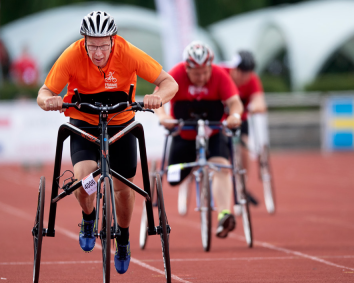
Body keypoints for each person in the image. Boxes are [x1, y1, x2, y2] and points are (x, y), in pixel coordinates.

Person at [36, 11, 178, 274]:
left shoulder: (129, 53)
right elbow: (43, 93)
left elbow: (169, 83)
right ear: (84, 41)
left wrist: (157, 98)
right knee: (85, 179)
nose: (98, 51)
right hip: (84, 124)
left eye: (103, 44)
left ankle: (122, 239)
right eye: (92, 45)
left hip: (121, 125)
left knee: (123, 188)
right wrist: (49, 101)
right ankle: (88, 218)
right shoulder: (72, 55)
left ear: (113, 40)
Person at [155, 41, 243, 238]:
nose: (202, 78)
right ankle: (189, 175)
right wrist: (163, 117)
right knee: (173, 179)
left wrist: (234, 117)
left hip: (212, 132)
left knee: (221, 166)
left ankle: (224, 214)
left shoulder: (220, 75)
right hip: (184, 134)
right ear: (187, 68)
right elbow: (158, 98)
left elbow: (235, 103)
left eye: (205, 72)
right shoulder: (176, 74)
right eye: (196, 73)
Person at [221, 51, 267, 202]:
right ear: (233, 68)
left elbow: (260, 101)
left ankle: (242, 183)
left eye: (247, 72)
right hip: (220, 118)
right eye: (240, 71)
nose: (243, 76)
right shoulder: (222, 74)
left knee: (244, 146)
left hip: (240, 118)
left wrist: (254, 107)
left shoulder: (252, 80)